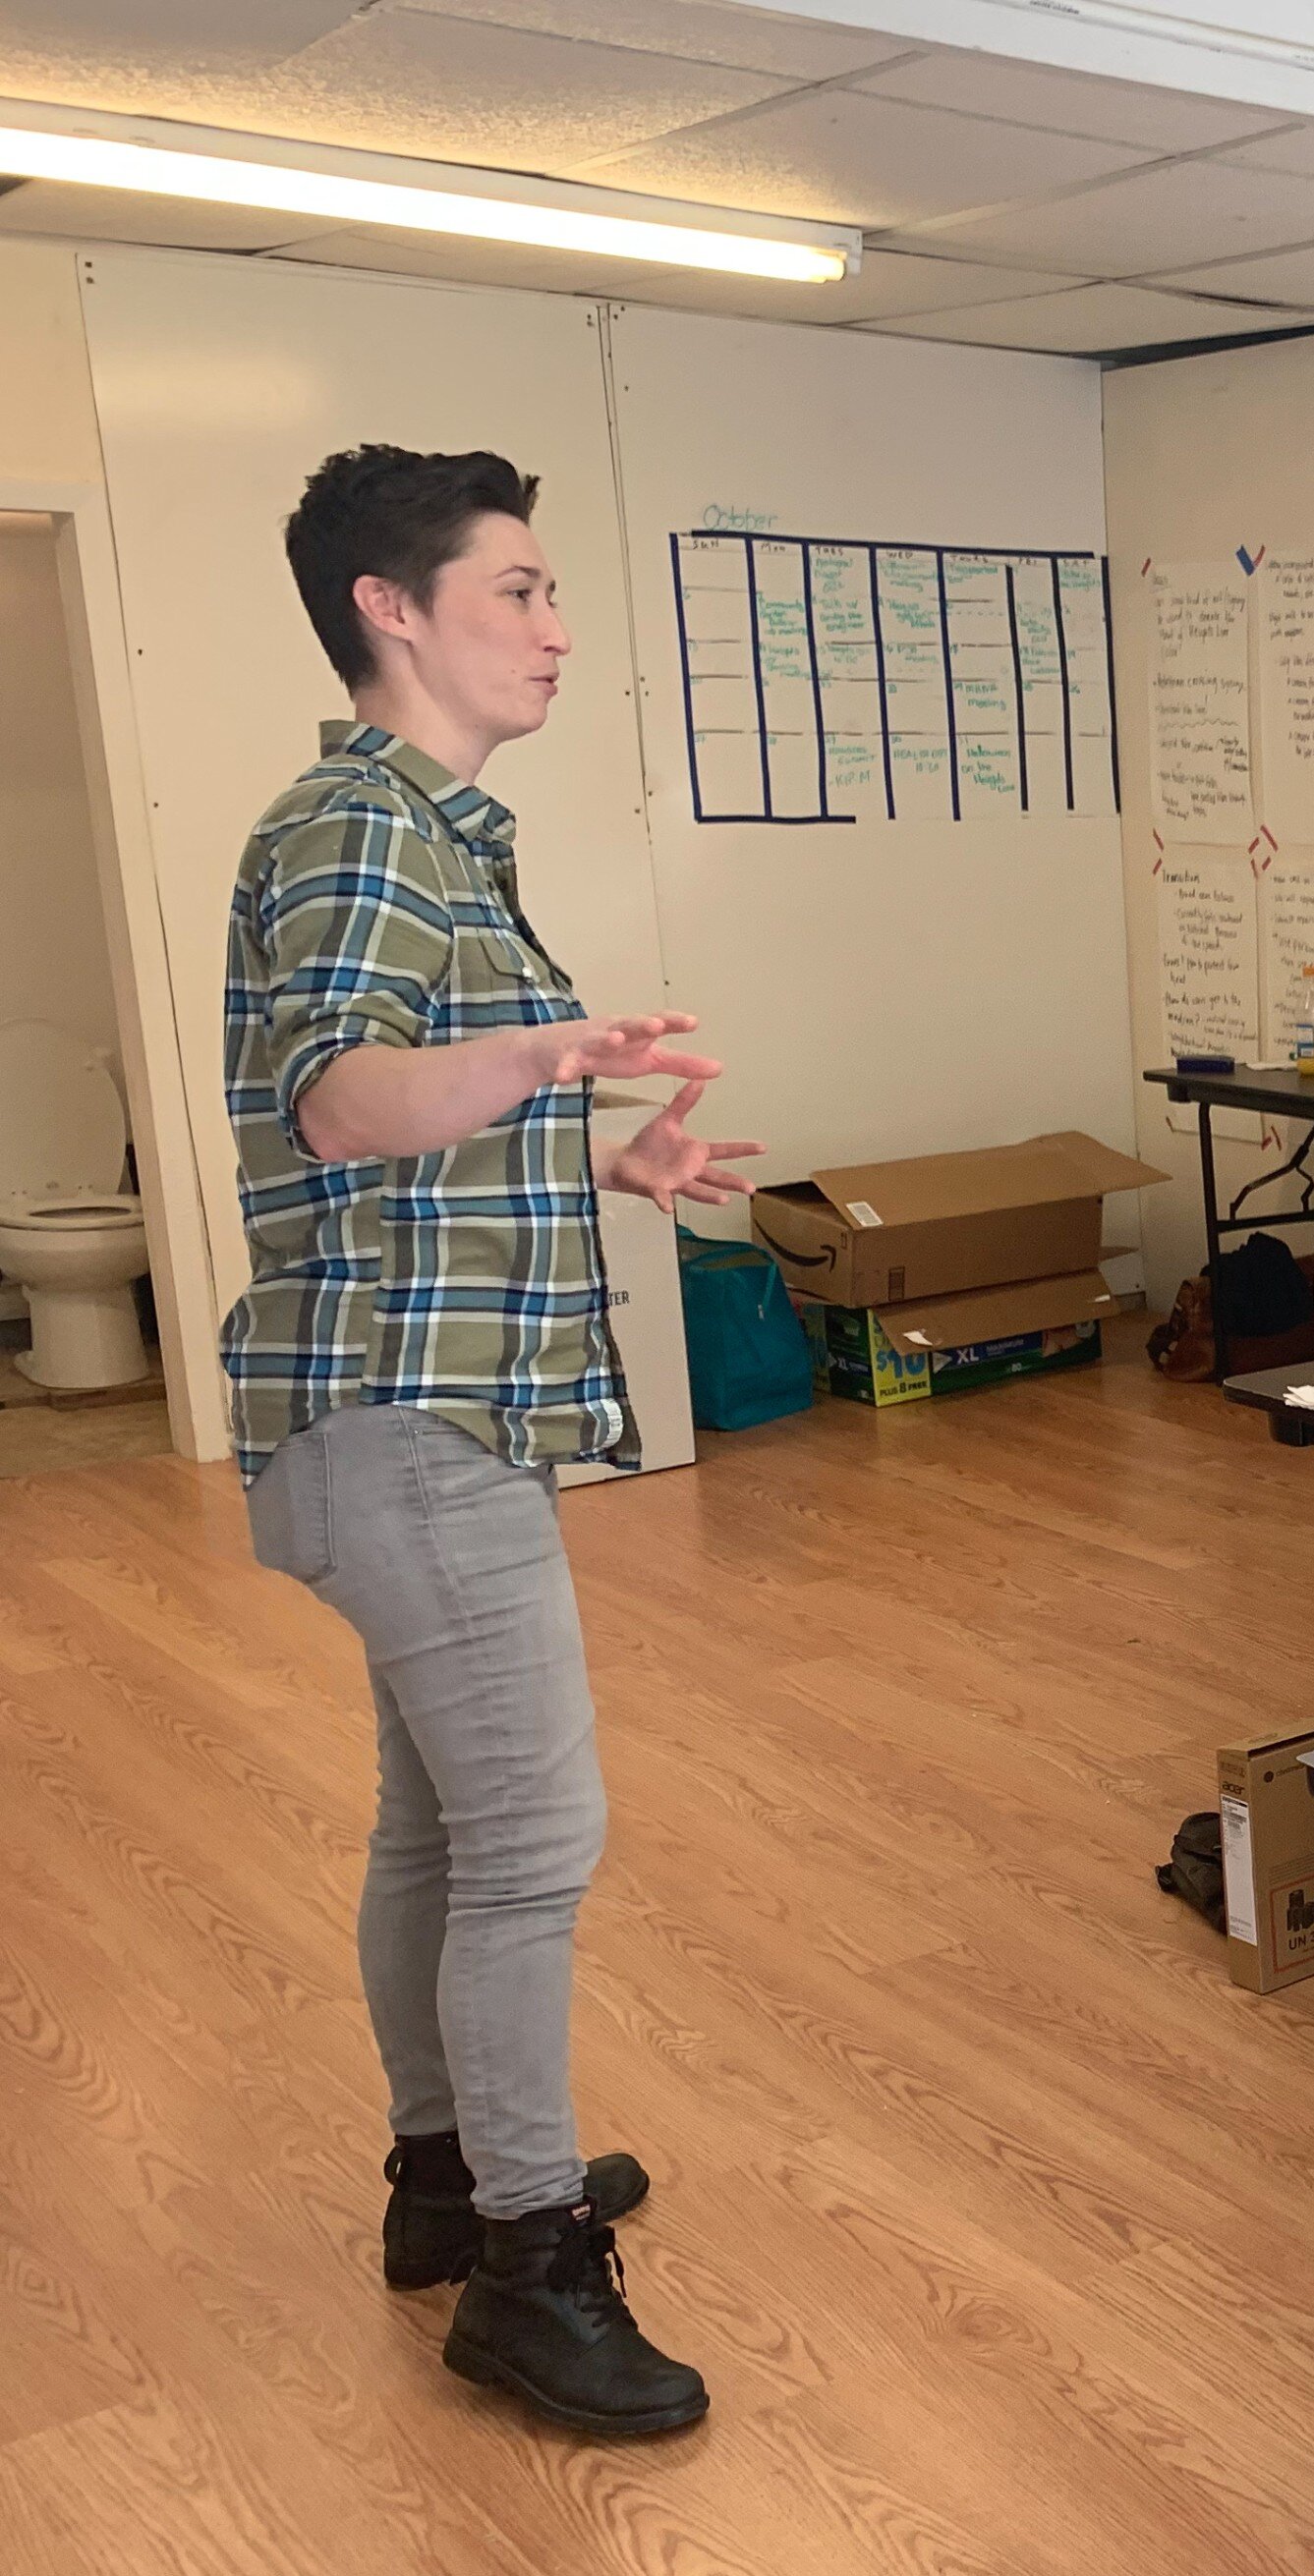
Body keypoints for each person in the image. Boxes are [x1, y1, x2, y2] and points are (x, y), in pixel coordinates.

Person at [230, 447, 756, 2436]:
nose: (552, 627)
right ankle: (533, 2268)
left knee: (444, 1827)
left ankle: (445, 2186)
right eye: (519, 590)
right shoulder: (363, 828)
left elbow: (419, 1134)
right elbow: (344, 1101)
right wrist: (555, 1050)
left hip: (394, 1401)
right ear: (394, 605)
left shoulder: (409, 832)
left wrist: (608, 1159)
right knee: (532, 1844)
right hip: (410, 1417)